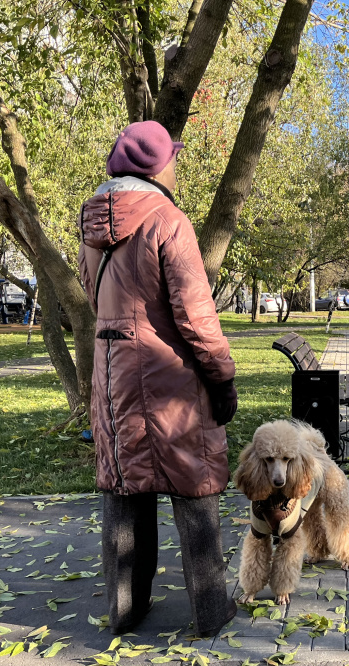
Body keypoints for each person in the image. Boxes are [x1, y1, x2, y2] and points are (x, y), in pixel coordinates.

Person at [79, 121, 239, 635]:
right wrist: (222, 378)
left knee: (125, 485)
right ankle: (212, 611)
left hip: (112, 376)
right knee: (194, 485)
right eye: (173, 157)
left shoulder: (91, 228)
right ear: (158, 164)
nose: (177, 164)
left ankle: (124, 610)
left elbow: (92, 298)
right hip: (168, 378)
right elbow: (196, 315)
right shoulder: (169, 221)